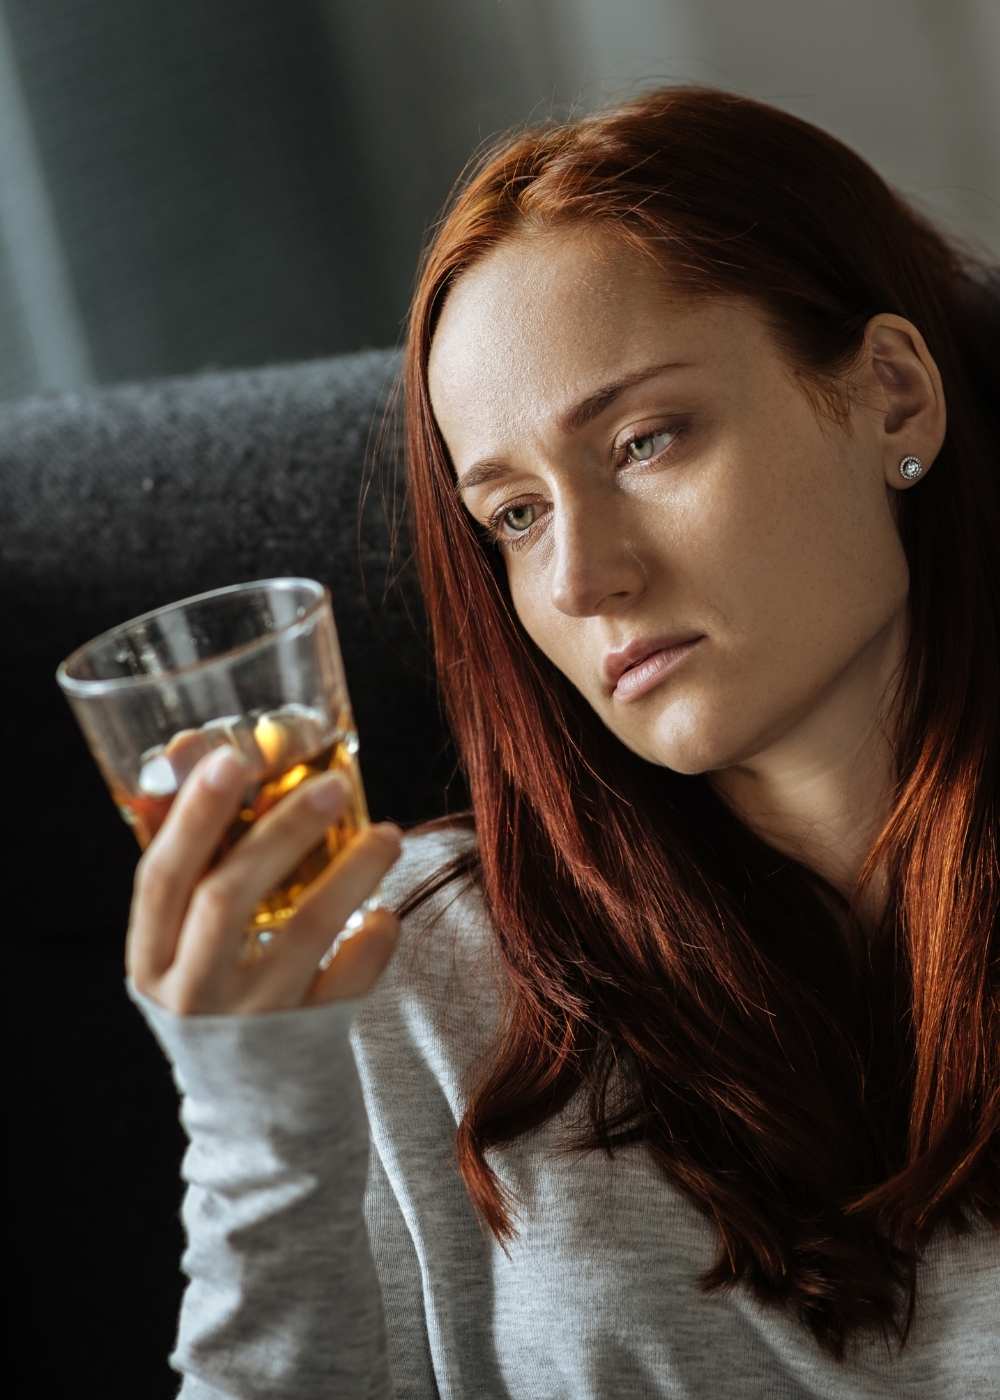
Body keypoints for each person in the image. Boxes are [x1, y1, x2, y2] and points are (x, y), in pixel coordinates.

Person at [125, 84, 999, 1397]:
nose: (583, 580)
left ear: (892, 396)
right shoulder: (403, 968)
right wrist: (255, 1119)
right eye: (517, 517)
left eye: (645, 441)